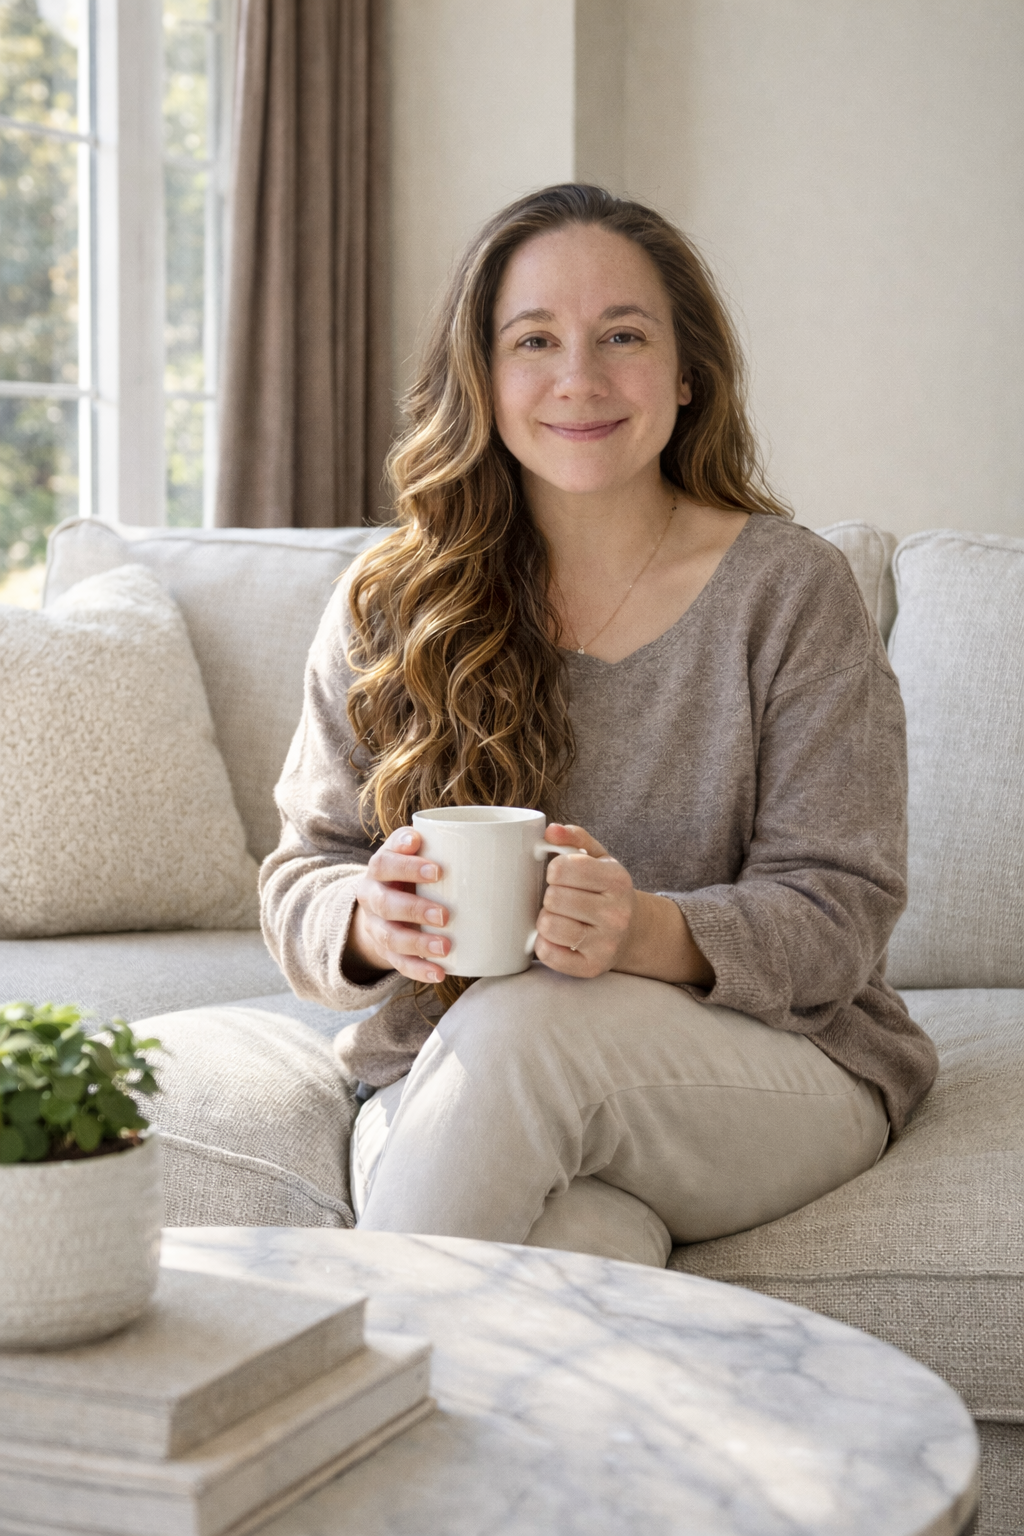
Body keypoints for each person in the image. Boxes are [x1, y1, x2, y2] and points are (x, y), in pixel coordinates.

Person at [261, 184, 938, 1266]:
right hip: (452, 1076)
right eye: (534, 340)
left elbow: (841, 907)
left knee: (525, 1023)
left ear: (685, 374)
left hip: (771, 1064)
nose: (578, 378)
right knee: (576, 1249)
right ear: (482, 376)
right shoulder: (390, 603)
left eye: (621, 335)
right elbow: (304, 873)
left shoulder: (788, 593)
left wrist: (642, 933)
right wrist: (366, 919)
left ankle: (340, 1404)